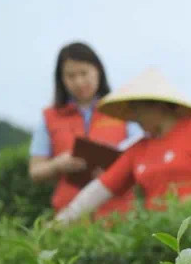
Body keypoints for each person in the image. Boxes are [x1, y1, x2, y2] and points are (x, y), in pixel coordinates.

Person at [54, 67, 191, 222]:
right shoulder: (139, 148)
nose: (135, 119)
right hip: (157, 232)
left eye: (138, 111)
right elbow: (100, 189)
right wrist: (62, 220)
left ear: (158, 106)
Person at [29, 42, 144, 219]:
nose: (79, 81)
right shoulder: (49, 117)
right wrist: (58, 165)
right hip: (69, 216)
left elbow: (142, 158)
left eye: (84, 73)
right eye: (71, 76)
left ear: (98, 70)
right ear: (61, 79)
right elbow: (35, 171)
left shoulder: (121, 110)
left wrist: (116, 169)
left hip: (119, 215)